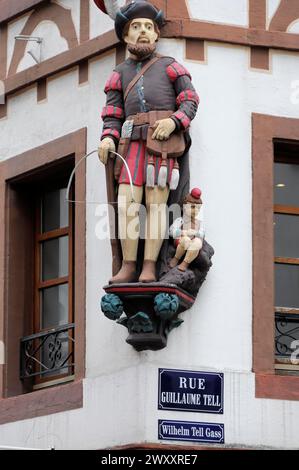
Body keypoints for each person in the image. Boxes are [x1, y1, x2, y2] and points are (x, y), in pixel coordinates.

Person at [96, 0, 199, 283]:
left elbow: (189, 100)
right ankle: (129, 264)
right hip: (130, 145)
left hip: (161, 146)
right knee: (128, 204)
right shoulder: (119, 73)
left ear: (156, 35)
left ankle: (150, 265)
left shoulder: (170, 67)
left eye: (148, 27)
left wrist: (174, 121)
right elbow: (113, 113)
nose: (143, 32)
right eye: (136, 27)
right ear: (126, 35)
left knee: (156, 206)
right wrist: (107, 138)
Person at [169, 188, 205, 272]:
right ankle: (176, 258)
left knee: (198, 243)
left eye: (198, 208)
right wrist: (182, 232)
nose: (195, 210)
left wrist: (196, 233)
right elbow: (170, 231)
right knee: (186, 240)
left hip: (193, 242)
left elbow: (202, 233)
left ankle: (185, 263)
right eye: (192, 207)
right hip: (182, 240)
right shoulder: (180, 220)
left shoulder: (199, 223)